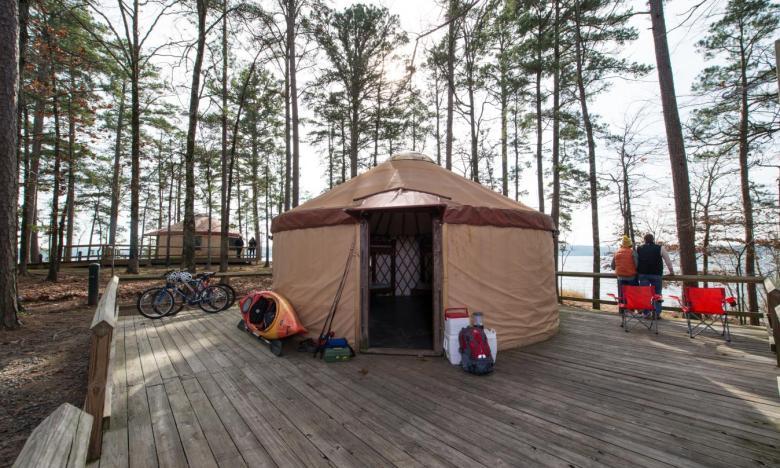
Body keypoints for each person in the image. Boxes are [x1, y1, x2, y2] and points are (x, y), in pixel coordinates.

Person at [636, 233, 675, 320]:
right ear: (653, 239)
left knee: (645, 294)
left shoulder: (639, 248)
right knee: (657, 294)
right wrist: (671, 272)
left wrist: (637, 272)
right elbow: (667, 260)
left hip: (643, 274)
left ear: (644, 240)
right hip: (656, 274)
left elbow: (636, 261)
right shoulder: (660, 248)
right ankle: (656, 313)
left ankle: (646, 313)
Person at [610, 235, 638, 318]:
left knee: (622, 294)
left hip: (620, 277)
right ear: (630, 245)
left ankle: (623, 311)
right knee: (632, 293)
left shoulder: (616, 252)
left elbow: (612, 266)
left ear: (621, 245)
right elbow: (636, 265)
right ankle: (631, 310)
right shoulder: (632, 252)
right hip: (631, 277)